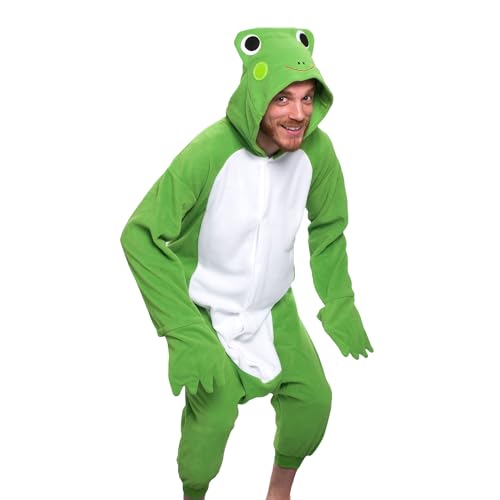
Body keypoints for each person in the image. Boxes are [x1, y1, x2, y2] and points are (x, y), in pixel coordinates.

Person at [120, 27, 373, 500]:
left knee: (313, 400)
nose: (299, 114)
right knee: (212, 418)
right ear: (257, 97)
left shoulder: (318, 153)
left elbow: (329, 227)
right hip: (206, 311)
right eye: (283, 99)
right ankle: (193, 494)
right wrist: (182, 331)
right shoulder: (208, 152)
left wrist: (339, 301)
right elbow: (141, 234)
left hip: (273, 309)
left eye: (307, 97)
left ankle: (279, 494)